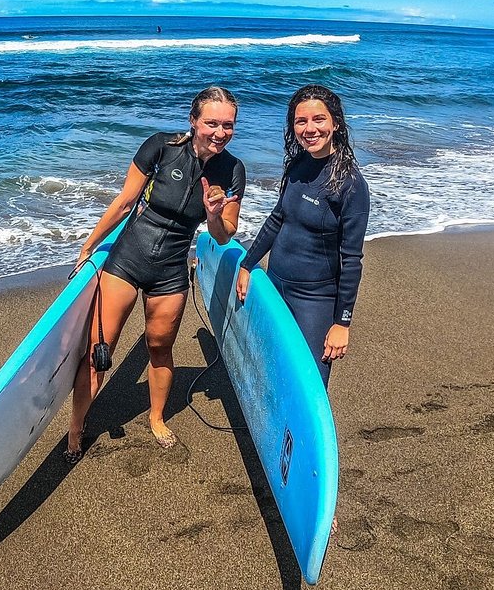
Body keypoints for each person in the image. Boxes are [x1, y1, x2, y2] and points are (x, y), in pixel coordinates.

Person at [66, 87, 246, 462]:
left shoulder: (232, 171)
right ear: (193, 121)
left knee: (161, 348)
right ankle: (76, 426)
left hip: (171, 272)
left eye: (227, 125)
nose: (219, 132)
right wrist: (89, 246)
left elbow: (225, 233)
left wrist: (214, 212)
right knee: (102, 351)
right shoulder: (161, 147)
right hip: (127, 259)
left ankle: (157, 417)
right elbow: (124, 201)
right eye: (211, 122)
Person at [236, 84, 370, 387]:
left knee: (310, 381)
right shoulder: (298, 164)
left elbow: (352, 260)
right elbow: (277, 218)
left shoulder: (350, 184)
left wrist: (341, 323)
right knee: (271, 360)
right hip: (276, 282)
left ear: (335, 123)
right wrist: (247, 264)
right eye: (301, 121)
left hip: (315, 298)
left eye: (318, 119)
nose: (310, 129)